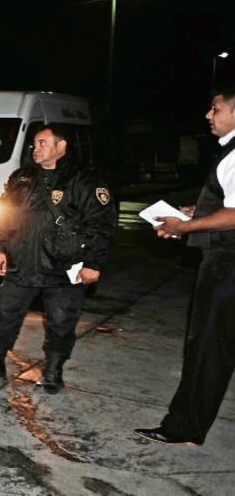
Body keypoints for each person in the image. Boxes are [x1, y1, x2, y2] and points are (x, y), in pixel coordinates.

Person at [0, 123, 116, 393]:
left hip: (63, 268)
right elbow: (3, 215)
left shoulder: (84, 181)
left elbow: (101, 225)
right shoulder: (22, 178)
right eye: (35, 143)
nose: (36, 148)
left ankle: (53, 372)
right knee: (6, 314)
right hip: (22, 263)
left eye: (43, 143)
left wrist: (94, 264)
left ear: (61, 146)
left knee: (61, 321)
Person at [136, 88, 235, 445]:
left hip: (227, 265)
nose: (209, 115)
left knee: (208, 347)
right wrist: (199, 212)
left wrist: (184, 226)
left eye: (216, 108)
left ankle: (185, 427)